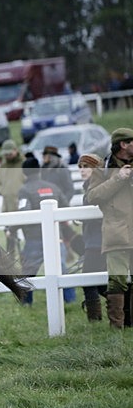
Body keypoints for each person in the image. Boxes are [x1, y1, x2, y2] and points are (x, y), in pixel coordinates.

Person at [85, 127, 133, 329]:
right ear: (123, 144)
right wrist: (118, 178)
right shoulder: (102, 169)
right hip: (117, 233)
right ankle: (116, 328)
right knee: (117, 282)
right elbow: (92, 196)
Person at [16, 157, 70, 305]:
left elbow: (23, 213)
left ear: (24, 172)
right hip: (56, 236)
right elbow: (66, 207)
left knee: (28, 272)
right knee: (62, 270)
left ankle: (26, 303)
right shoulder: (53, 187)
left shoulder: (24, 190)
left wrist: (11, 229)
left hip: (34, 238)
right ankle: (69, 300)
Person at [76, 153, 106, 322]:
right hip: (94, 241)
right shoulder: (89, 186)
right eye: (80, 167)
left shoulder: (97, 188)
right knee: (101, 283)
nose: (82, 170)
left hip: (97, 241)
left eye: (86, 166)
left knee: (88, 280)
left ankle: (95, 319)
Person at [0, 139, 25, 260]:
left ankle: (25, 259)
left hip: (22, 206)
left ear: (15, 150)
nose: (7, 156)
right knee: (9, 236)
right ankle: (11, 260)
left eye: (10, 153)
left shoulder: (24, 164)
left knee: (26, 234)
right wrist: (3, 191)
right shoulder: (3, 166)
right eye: (5, 154)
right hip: (7, 207)